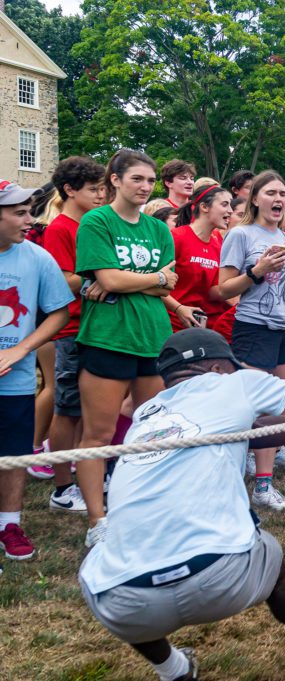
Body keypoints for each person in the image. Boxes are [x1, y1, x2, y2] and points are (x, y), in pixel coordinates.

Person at [79, 328, 285, 681]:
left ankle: (174, 671)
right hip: (220, 577)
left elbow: (259, 431)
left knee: (122, 569)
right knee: (273, 562)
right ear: (220, 367)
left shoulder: (147, 415)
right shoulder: (234, 384)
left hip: (123, 603)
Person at [76, 149, 177, 547]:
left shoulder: (158, 229)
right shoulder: (97, 221)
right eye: (137, 178)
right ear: (114, 179)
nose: (145, 187)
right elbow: (110, 281)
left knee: (151, 431)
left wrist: (127, 278)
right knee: (98, 434)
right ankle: (97, 520)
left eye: (150, 181)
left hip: (153, 337)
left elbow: (169, 282)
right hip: (107, 337)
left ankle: (142, 506)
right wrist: (150, 278)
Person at [219, 170, 285, 511]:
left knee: (276, 406)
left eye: (283, 193)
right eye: (271, 192)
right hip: (253, 327)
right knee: (248, 407)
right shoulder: (240, 236)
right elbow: (224, 289)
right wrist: (258, 269)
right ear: (255, 198)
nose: (279, 199)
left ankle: (264, 485)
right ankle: (231, 474)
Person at [0, 180, 73, 564]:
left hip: (18, 378)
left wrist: (21, 349)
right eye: (19, 213)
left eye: (30, 211)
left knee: (13, 453)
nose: (30, 220)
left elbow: (59, 310)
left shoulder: (36, 257)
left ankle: (9, 524)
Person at [37, 157, 105, 508]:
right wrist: (102, 273)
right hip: (72, 327)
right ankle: (62, 487)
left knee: (88, 408)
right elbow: (61, 280)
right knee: (67, 408)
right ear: (69, 190)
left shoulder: (94, 224)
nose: (100, 195)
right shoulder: (60, 228)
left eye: (102, 189)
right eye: (93, 189)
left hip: (99, 326)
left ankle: (83, 471)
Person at [164, 184, 233, 333]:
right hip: (171, 324)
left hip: (200, 327)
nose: (231, 211)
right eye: (224, 204)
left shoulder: (218, 245)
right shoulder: (176, 237)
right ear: (204, 207)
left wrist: (253, 275)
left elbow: (214, 290)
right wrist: (179, 309)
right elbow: (154, 282)